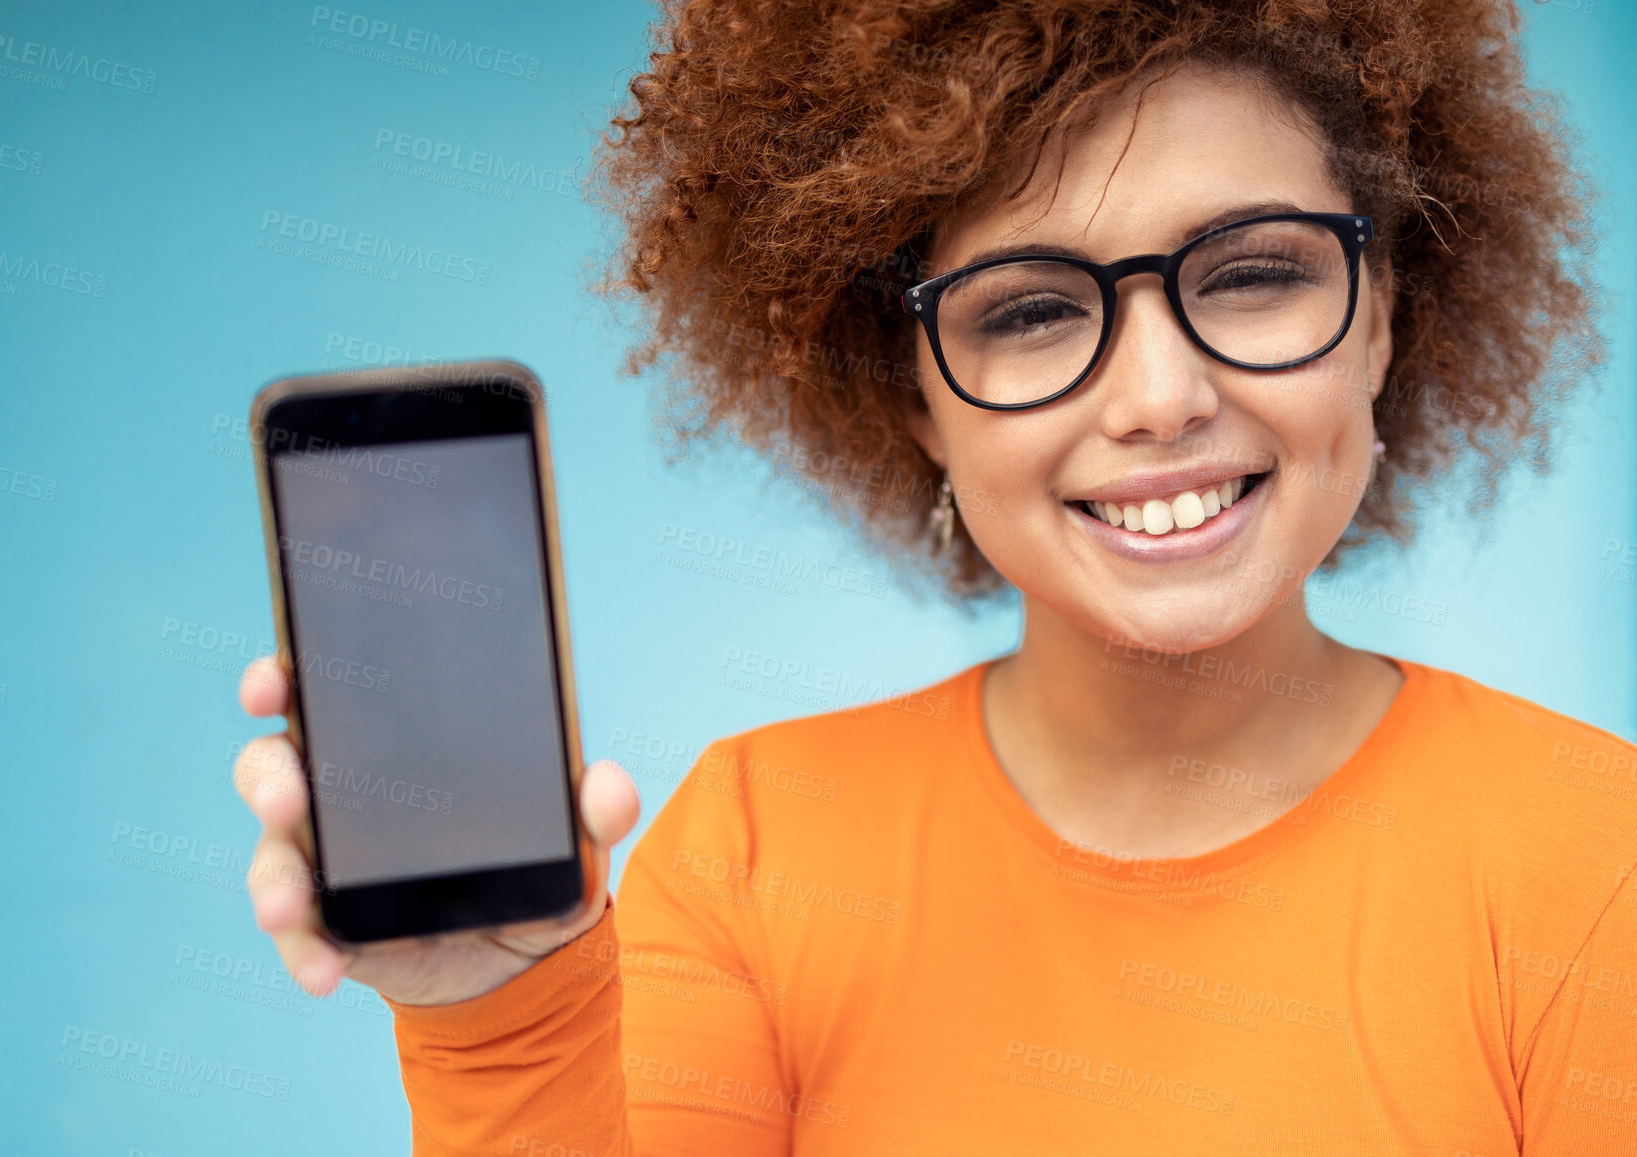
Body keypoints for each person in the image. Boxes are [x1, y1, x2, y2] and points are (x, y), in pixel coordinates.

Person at [233, 1, 1636, 1151]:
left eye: (1256, 274)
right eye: (1030, 309)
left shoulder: (1593, 857)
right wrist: (502, 1020)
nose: (1160, 395)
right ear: (913, 398)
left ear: (1382, 318)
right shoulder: (758, 852)